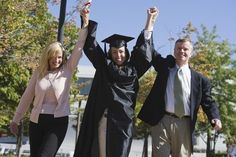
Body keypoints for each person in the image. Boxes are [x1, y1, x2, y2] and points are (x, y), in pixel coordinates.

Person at [137, 7, 222, 157]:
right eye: (178, 48)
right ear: (174, 51)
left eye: (185, 49)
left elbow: (208, 101)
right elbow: (150, 49)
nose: (181, 51)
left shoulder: (200, 80)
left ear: (191, 52)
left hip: (184, 123)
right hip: (161, 120)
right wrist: (150, 22)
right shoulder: (165, 66)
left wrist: (215, 117)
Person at [73, 7, 157, 157]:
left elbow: (145, 53)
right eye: (114, 52)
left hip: (123, 123)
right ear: (110, 53)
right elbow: (91, 46)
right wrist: (86, 19)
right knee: (100, 153)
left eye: (121, 52)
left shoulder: (134, 70)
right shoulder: (104, 66)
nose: (118, 55)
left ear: (126, 52)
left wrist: (149, 21)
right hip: (103, 120)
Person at [9, 8, 89, 157]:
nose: (56, 60)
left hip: (57, 122)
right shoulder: (39, 73)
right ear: (47, 56)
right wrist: (16, 119)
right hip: (36, 122)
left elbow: (79, 45)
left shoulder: (67, 69)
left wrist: (85, 23)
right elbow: (27, 96)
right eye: (53, 56)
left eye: (59, 57)